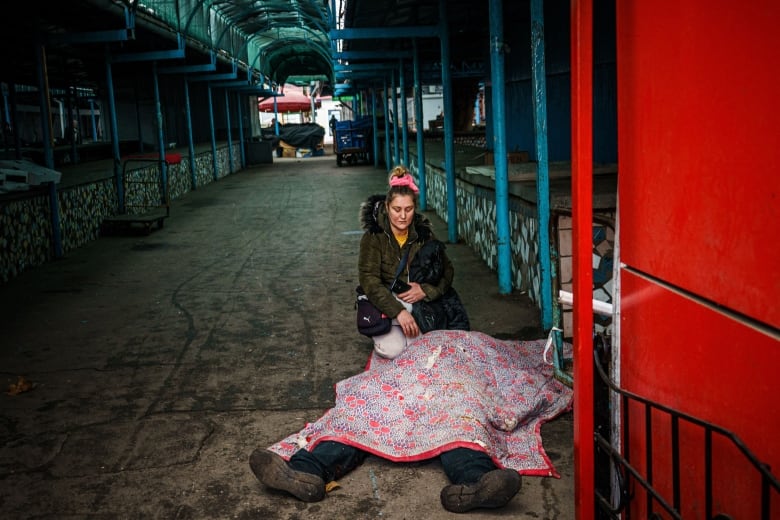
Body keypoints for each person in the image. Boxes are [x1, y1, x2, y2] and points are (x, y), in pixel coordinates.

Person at [248, 330, 574, 513]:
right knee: (367, 410)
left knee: (460, 417)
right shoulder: (414, 342)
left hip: (456, 373)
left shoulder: (479, 344)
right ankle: (305, 472)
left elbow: (510, 367)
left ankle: (478, 483)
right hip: (412, 369)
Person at [357, 165, 468, 359]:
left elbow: (447, 270)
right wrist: (398, 311)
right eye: (396, 209)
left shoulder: (423, 234)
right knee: (392, 350)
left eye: (408, 209)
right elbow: (369, 281)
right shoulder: (374, 237)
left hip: (420, 304)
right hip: (387, 304)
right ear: (386, 206)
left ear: (414, 208)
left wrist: (426, 290)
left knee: (423, 350)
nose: (402, 216)